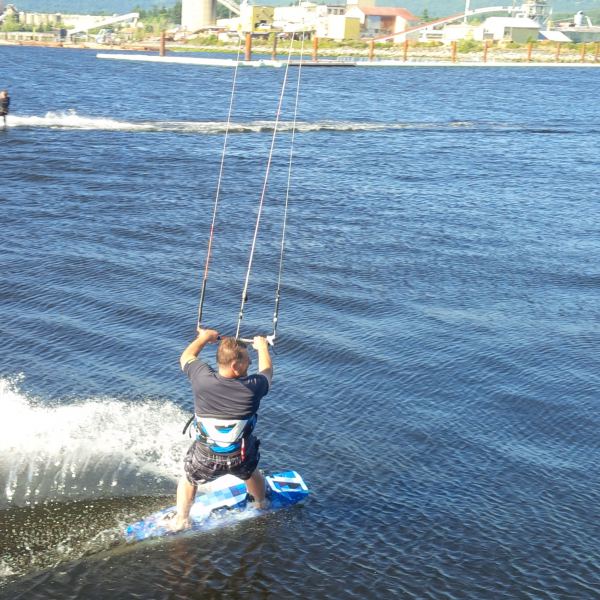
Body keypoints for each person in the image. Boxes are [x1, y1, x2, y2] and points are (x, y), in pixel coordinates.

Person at [172, 327, 273, 531]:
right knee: (252, 472)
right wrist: (262, 348)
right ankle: (261, 505)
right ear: (236, 365)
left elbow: (186, 356)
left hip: (205, 457)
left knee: (189, 479)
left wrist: (204, 338)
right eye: (247, 360)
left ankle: (182, 519)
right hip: (241, 456)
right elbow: (267, 372)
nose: (251, 363)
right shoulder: (254, 387)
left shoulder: (201, 378)